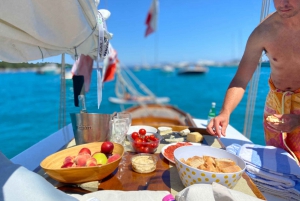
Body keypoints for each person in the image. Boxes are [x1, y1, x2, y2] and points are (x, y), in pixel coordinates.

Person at [206, 0, 300, 162]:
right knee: (278, 163)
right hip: (276, 105)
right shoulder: (263, 32)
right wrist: (225, 112)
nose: (283, 3)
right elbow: (241, 78)